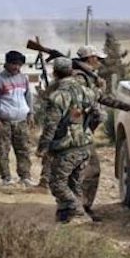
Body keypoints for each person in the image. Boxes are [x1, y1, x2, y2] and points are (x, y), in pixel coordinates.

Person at [72, 45, 130, 220]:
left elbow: (101, 99)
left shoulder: (86, 77)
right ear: (91, 59)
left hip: (79, 131)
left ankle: (78, 208)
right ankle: (80, 208)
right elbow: (90, 100)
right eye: (98, 59)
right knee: (90, 169)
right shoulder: (80, 79)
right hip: (77, 133)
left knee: (80, 171)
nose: (100, 62)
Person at [37, 57, 101, 223]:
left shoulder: (58, 97)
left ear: (55, 73)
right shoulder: (87, 91)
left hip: (66, 147)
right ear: (71, 72)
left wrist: (42, 147)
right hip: (84, 146)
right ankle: (67, 217)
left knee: (57, 184)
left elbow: (51, 125)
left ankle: (78, 212)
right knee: (75, 184)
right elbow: (99, 114)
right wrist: (86, 129)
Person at [0, 50, 37, 187]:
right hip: (4, 121)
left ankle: (25, 176)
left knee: (24, 149)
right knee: (3, 150)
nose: (16, 67)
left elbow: (28, 97)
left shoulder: (23, 78)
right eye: (14, 64)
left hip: (21, 121)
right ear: (7, 64)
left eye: (19, 64)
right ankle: (6, 178)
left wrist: (31, 113)